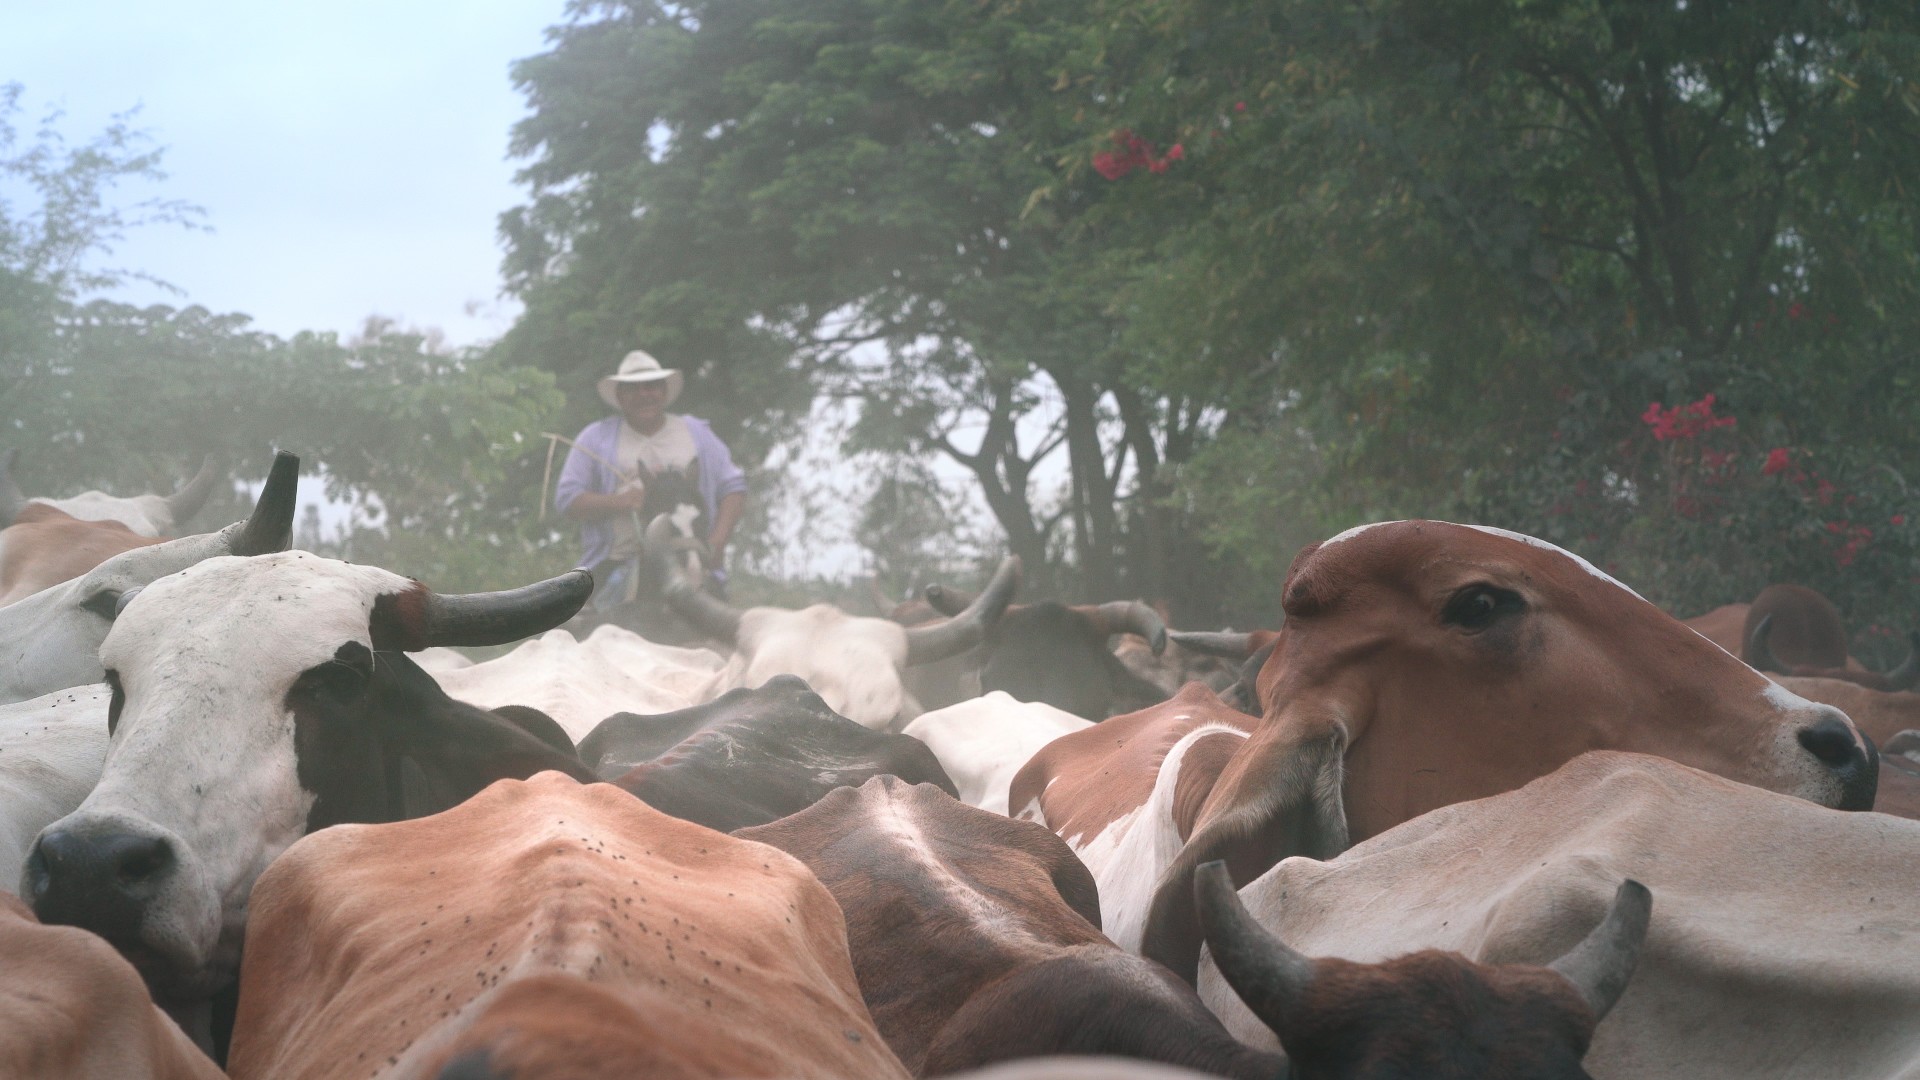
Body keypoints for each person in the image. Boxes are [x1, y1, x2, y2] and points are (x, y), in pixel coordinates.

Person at [555, 350, 747, 607]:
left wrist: (717, 543)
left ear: (664, 392)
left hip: (691, 556)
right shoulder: (595, 438)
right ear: (620, 397)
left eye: (652, 386)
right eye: (633, 389)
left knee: (729, 631)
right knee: (572, 628)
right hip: (618, 560)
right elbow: (568, 500)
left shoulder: (696, 433)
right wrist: (619, 501)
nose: (644, 394)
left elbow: (733, 488)